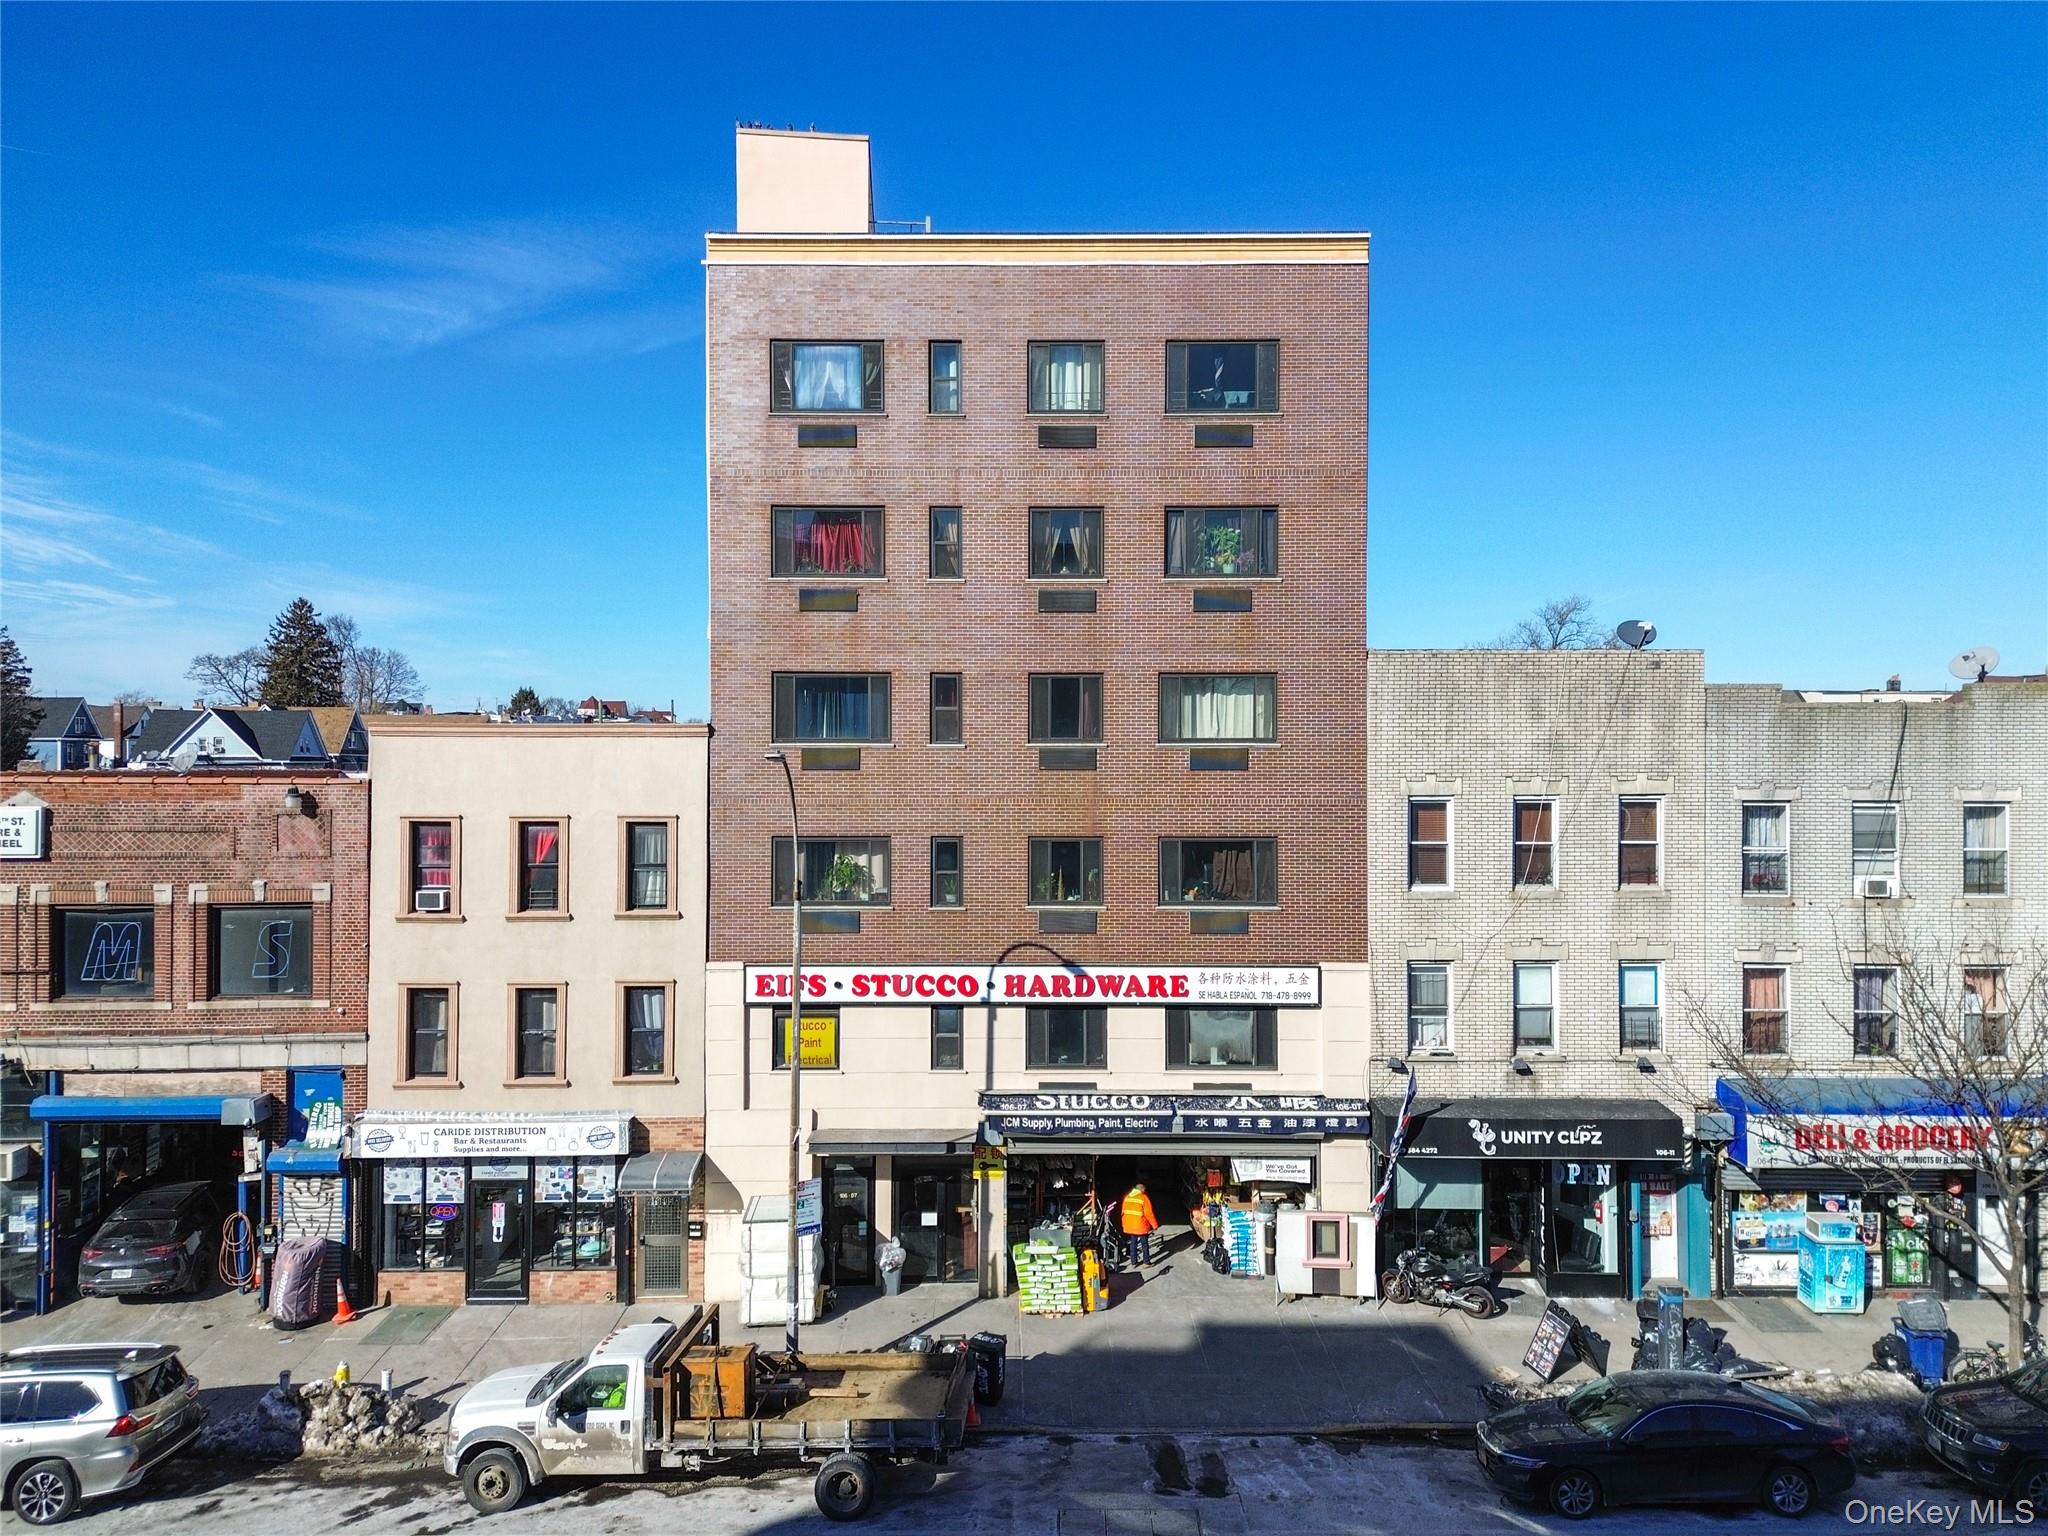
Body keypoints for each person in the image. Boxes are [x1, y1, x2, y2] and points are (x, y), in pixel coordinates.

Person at [1120, 1182, 1159, 1267]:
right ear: (1141, 1189)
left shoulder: (1127, 1197)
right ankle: (1146, 1262)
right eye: (1144, 1190)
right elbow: (1149, 1213)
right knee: (1144, 1243)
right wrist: (1154, 1225)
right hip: (1141, 1226)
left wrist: (1124, 1225)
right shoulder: (1143, 1198)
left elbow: (1123, 1212)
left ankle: (1133, 1262)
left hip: (1130, 1226)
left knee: (1133, 1243)